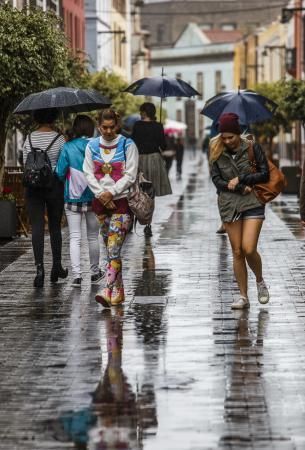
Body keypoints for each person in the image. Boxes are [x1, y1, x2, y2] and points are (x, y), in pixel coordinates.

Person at [210, 112, 270, 309]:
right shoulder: (216, 150)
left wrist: (243, 179)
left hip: (252, 201)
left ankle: (259, 280)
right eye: (224, 137)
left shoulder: (252, 147)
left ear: (238, 134)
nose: (227, 141)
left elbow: (264, 173)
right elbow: (216, 180)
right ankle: (243, 297)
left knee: (248, 248)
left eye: (231, 137)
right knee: (237, 251)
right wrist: (236, 187)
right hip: (229, 204)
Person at [83, 109, 139, 307]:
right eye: (104, 127)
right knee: (110, 250)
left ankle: (107, 290)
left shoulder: (128, 144)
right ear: (99, 126)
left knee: (113, 249)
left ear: (117, 125)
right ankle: (120, 292)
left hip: (121, 203)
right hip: (100, 204)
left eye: (111, 127)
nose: (107, 131)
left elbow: (130, 174)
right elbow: (88, 172)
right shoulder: (91, 146)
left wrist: (111, 192)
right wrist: (102, 194)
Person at [55, 115, 105, 288]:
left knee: (74, 237)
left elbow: (60, 173)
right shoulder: (97, 146)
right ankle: (94, 272)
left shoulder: (67, 147)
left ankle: (76, 276)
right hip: (94, 197)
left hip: (72, 198)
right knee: (93, 237)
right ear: (91, 128)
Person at [23, 108, 68, 288]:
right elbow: (63, 164)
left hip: (33, 187)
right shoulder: (60, 138)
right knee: (55, 227)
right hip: (54, 186)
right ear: (54, 117)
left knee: (37, 227)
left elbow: (26, 159)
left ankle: (39, 269)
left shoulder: (29, 138)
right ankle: (56, 266)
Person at [132, 102, 172, 237]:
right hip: (155, 160)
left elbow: (133, 143)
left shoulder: (137, 125)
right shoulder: (158, 126)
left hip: (141, 160)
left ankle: (136, 218)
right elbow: (164, 146)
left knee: (138, 190)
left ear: (144, 112)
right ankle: (148, 224)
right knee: (150, 193)